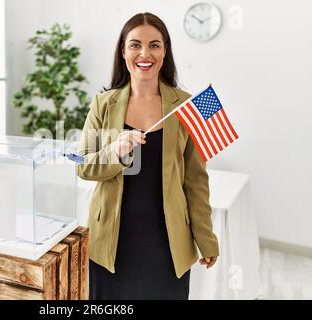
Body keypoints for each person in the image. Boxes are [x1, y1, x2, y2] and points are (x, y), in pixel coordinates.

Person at [77, 12, 219, 300]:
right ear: (123, 51)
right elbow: (84, 167)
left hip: (167, 244)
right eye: (135, 45)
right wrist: (114, 151)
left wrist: (207, 239)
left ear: (165, 51)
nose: (145, 53)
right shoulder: (103, 104)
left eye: (154, 45)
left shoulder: (187, 105)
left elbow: (196, 181)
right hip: (111, 244)